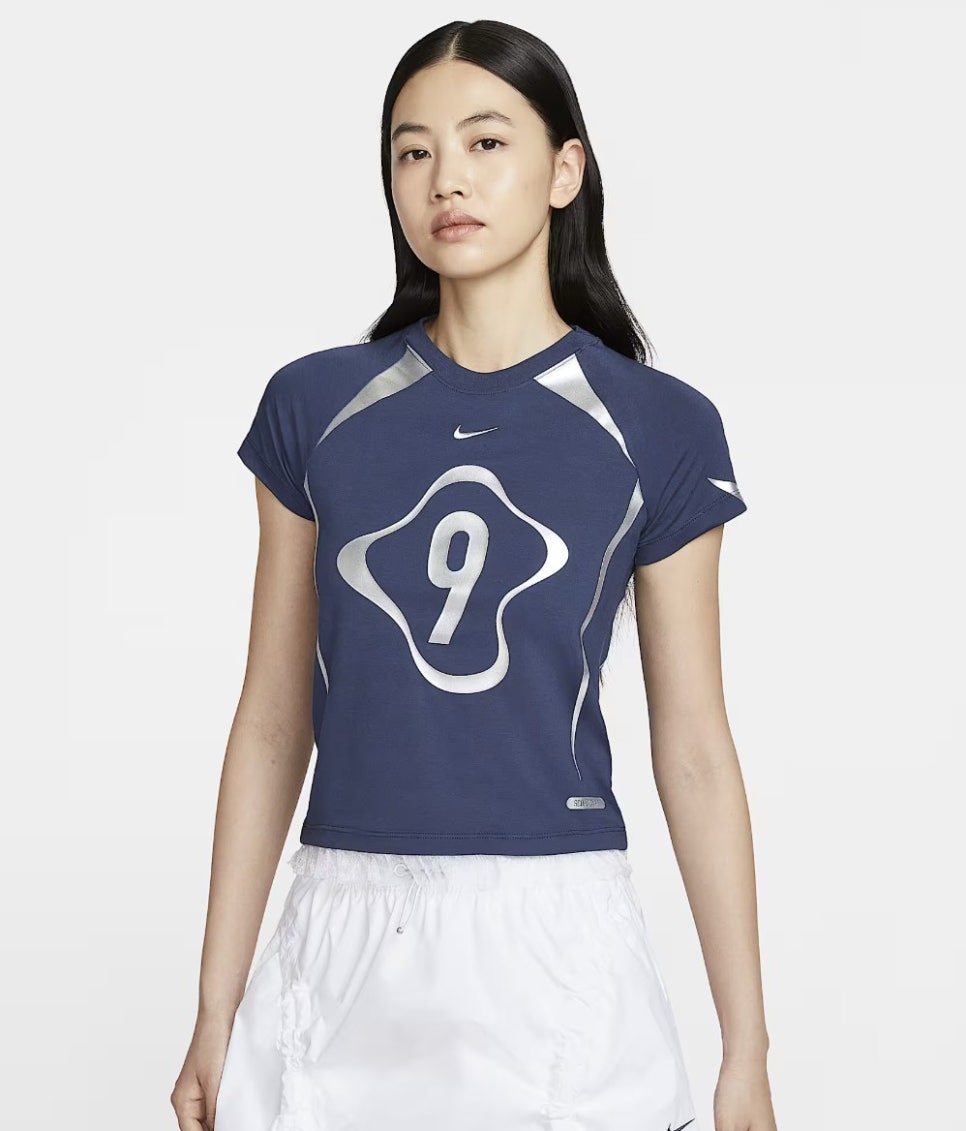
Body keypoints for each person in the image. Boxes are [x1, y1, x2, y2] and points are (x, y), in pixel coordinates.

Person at [170, 18, 776, 1131]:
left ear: (565, 170)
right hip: (342, 937)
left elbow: (694, 746)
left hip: (557, 940)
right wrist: (216, 1004)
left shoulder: (661, 427)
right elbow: (270, 721)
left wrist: (747, 1048)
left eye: (486, 142)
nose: (445, 177)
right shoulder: (315, 407)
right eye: (413, 151)